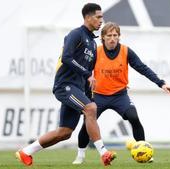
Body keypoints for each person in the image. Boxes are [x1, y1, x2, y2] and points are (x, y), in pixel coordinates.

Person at [15, 3, 116, 166]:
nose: (101, 21)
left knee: (64, 133)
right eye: (98, 17)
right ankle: (104, 153)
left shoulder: (92, 43)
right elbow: (67, 58)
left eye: (101, 17)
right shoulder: (76, 34)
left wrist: (88, 92)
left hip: (77, 89)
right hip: (65, 85)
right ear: (88, 17)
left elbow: (87, 75)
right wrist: (87, 75)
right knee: (90, 108)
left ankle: (26, 152)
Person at [72, 22, 170, 164]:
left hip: (120, 96)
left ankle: (145, 151)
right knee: (87, 124)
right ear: (103, 37)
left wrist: (161, 83)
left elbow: (142, 68)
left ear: (119, 37)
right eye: (109, 35)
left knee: (134, 117)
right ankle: (80, 156)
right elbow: (84, 73)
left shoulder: (126, 51)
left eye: (115, 35)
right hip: (98, 96)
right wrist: (83, 97)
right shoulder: (96, 52)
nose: (112, 38)